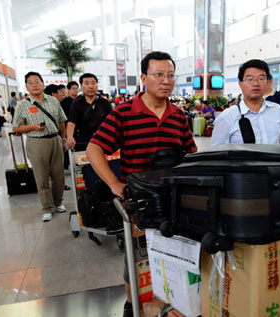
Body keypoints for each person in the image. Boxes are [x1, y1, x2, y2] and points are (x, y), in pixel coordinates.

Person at [86, 51, 197, 317]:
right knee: (138, 260)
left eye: (171, 75)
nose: (166, 81)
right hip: (139, 203)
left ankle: (173, 305)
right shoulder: (124, 113)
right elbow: (94, 149)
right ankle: (133, 305)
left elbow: (191, 156)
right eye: (159, 74)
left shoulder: (179, 116)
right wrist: (114, 184)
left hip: (175, 200)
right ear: (144, 77)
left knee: (178, 256)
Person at [12, 72, 68, 222]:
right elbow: (16, 127)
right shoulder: (23, 105)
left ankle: (58, 202)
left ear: (43, 84)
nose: (34, 85)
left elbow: (62, 121)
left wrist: (62, 139)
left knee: (59, 176)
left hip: (55, 139)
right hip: (36, 142)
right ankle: (47, 208)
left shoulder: (53, 101)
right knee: (42, 177)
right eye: (30, 83)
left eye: (37, 81)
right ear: (26, 87)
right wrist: (32, 127)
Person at [210, 59, 280, 146]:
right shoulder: (227, 117)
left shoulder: (277, 110)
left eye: (261, 78)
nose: (256, 83)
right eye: (250, 79)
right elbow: (216, 154)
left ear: (267, 83)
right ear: (241, 84)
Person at [66, 73, 112, 150]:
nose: (90, 86)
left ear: (97, 85)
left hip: (102, 140)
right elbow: (71, 122)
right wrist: (70, 137)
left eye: (93, 83)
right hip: (83, 141)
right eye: (86, 83)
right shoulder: (76, 103)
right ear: (81, 86)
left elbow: (111, 122)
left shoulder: (104, 102)